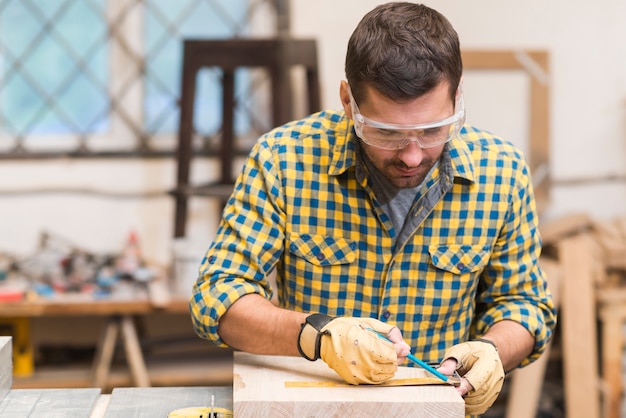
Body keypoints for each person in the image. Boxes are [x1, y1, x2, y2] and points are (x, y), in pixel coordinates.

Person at [189, 2, 556, 416]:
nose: (413, 156)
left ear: (458, 95)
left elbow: (525, 305)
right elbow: (216, 297)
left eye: (434, 129)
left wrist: (494, 350)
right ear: (348, 101)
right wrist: (317, 334)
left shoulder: (501, 173)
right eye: (386, 133)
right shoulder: (283, 160)